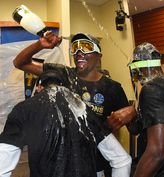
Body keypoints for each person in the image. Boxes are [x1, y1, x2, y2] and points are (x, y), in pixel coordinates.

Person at [13, 31, 135, 177]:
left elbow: (134, 129)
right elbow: (19, 63)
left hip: (95, 164)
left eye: (85, 46)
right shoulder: (63, 74)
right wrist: (39, 45)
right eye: (75, 47)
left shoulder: (112, 88)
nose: (78, 52)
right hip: (60, 159)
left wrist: (133, 112)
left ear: (99, 56)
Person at [0, 70, 132, 177]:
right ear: (67, 88)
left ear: (39, 87)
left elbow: (2, 167)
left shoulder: (24, 110)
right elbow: (122, 160)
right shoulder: (84, 111)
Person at [127, 42, 164, 177]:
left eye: (135, 70)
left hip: (159, 171)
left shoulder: (151, 90)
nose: (136, 76)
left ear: (140, 67)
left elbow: (157, 153)